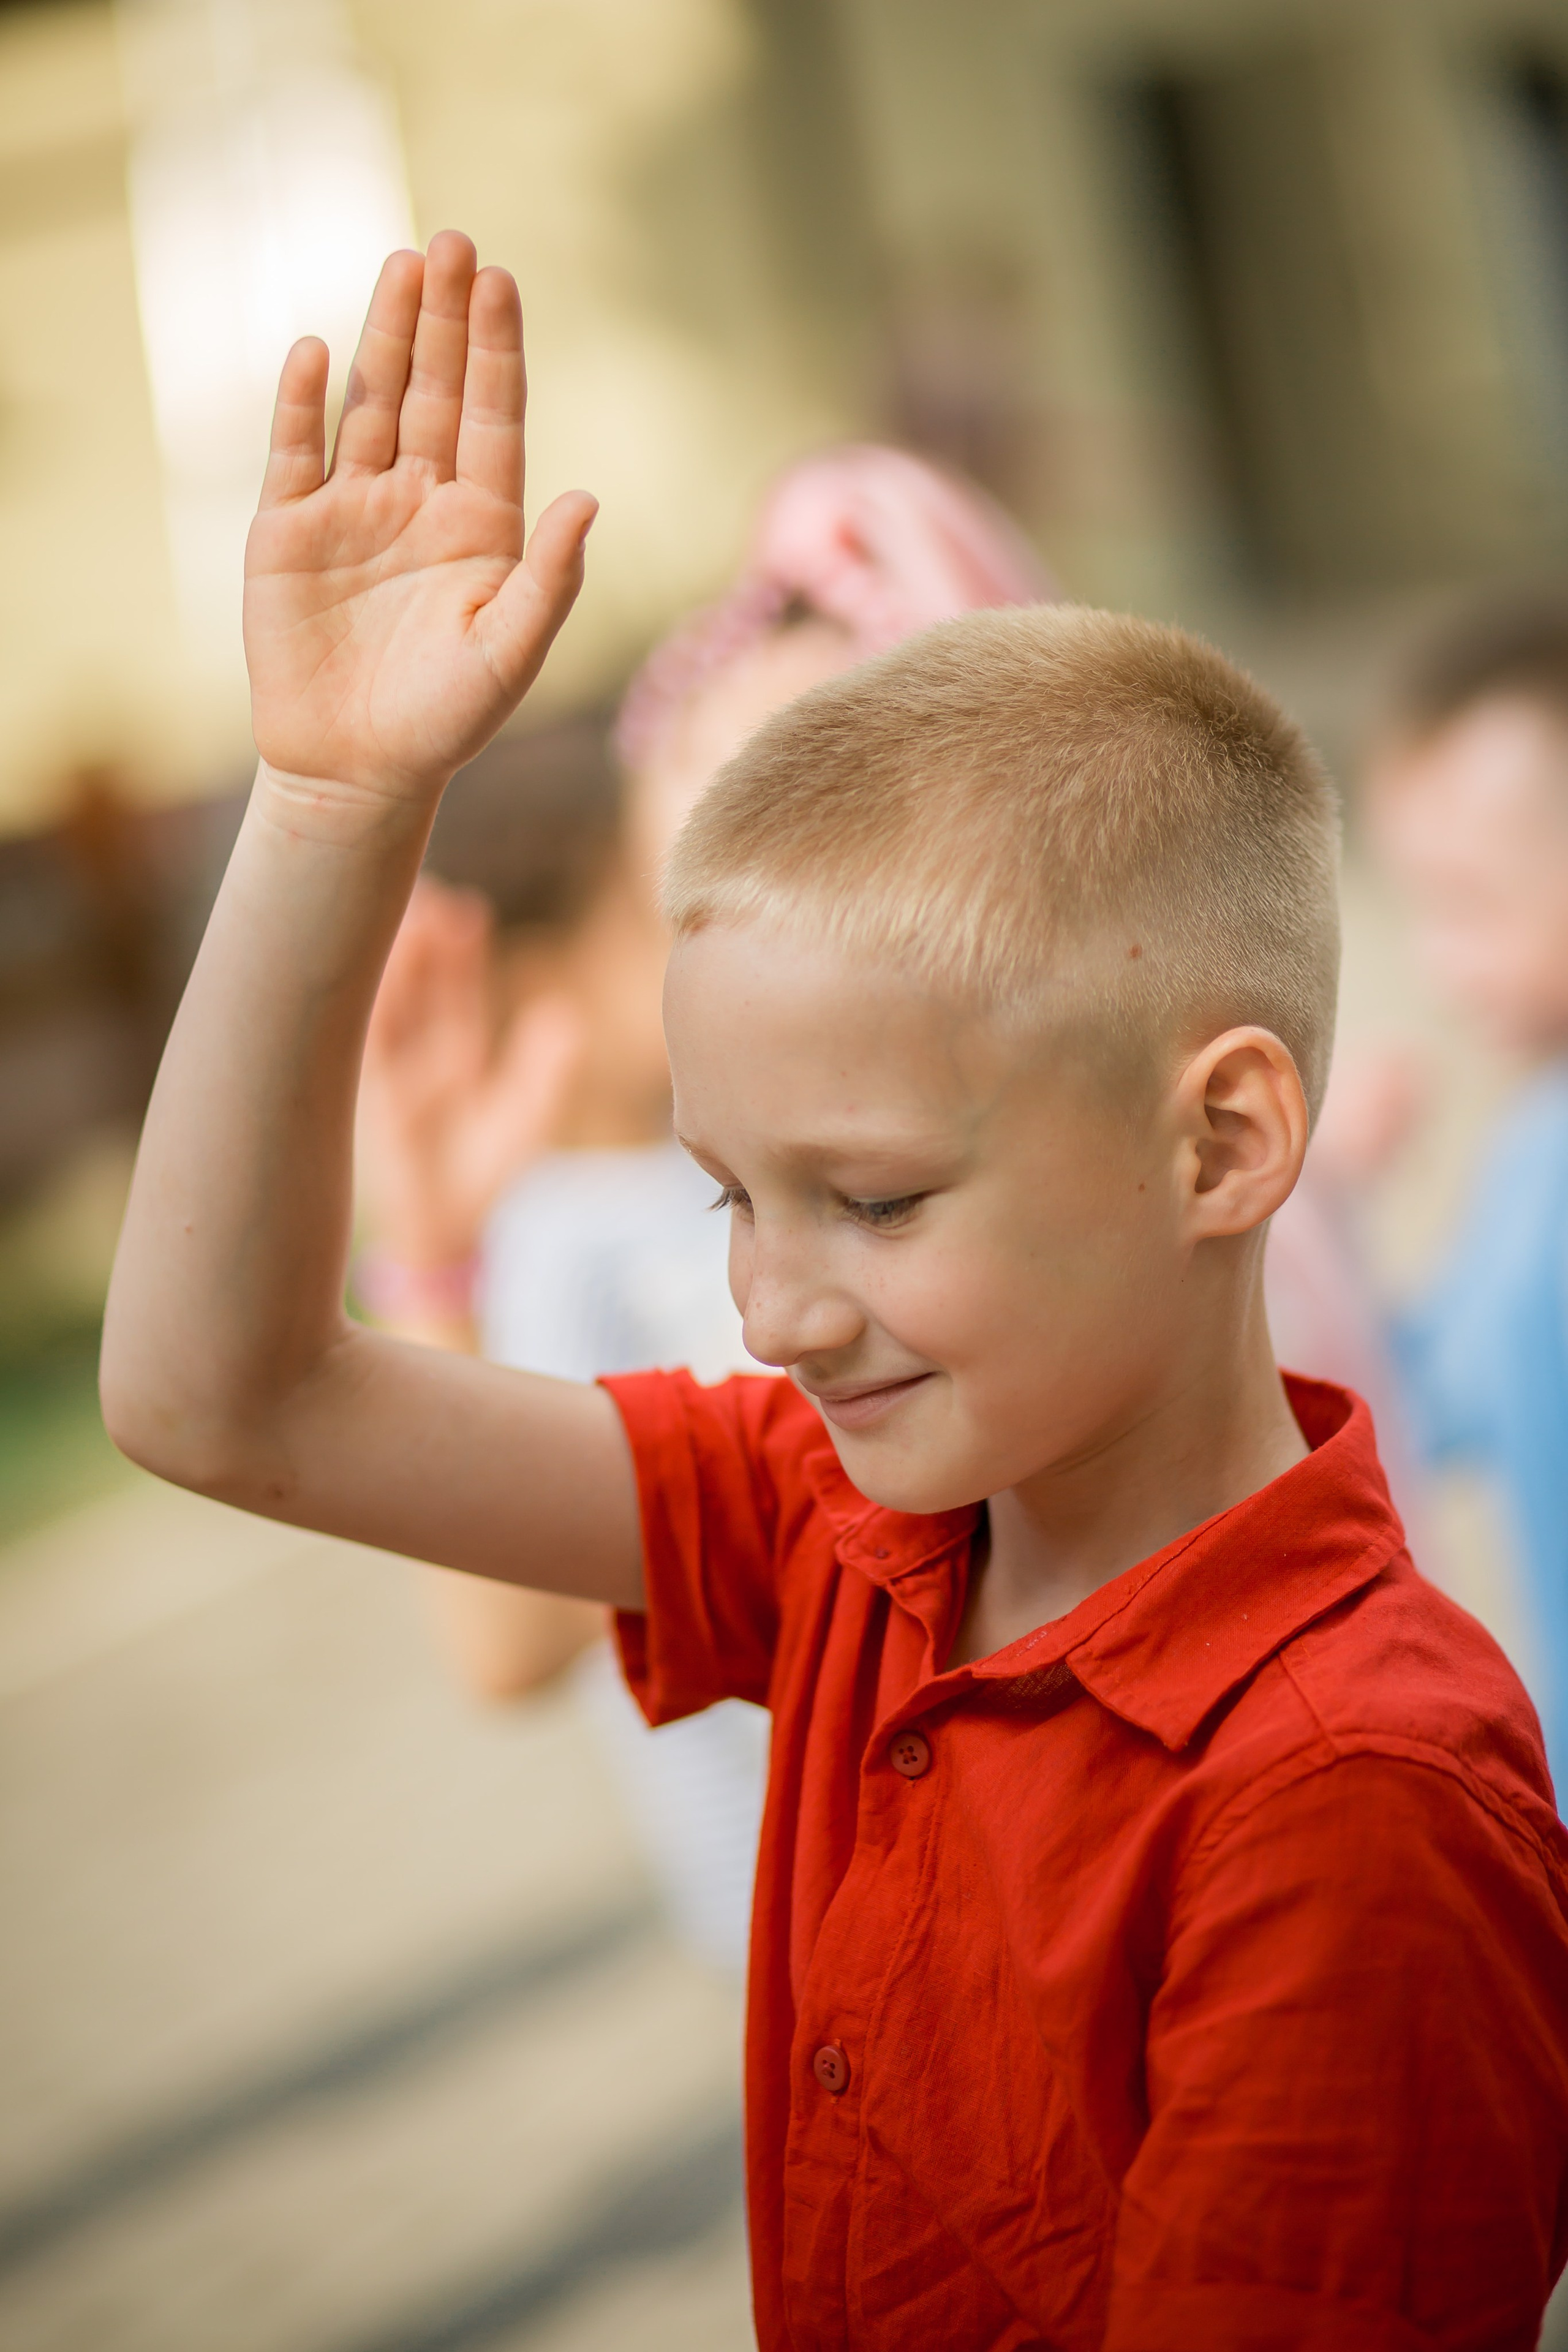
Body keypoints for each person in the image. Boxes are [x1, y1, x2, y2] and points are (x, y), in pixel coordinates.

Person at [101, 236, 1568, 2347]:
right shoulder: (844, 1528)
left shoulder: (1347, 1812)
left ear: (1225, 1147)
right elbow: (214, 1400)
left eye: (873, 1203)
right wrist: (337, 801)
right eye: (733, 1203)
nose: (774, 1310)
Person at [353, 444, 1055, 1974]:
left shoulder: (998, 1149)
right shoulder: (582, 1231)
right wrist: (431, 1259)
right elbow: (508, 1645)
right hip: (847, 1964)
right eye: (715, 837)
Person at [1363, 591, 1568, 1792]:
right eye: (1419, 908)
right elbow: (1421, 1387)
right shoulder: (1529, 1141)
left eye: (1470, 904)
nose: (1437, 967)